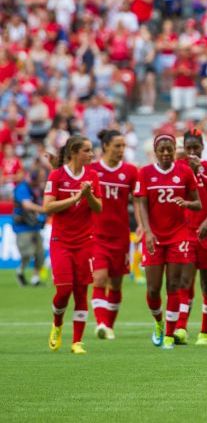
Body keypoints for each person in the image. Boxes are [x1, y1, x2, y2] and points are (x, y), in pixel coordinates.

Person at [135, 134, 201, 350]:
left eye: (169, 149)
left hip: (178, 235)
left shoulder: (185, 172)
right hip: (154, 236)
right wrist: (147, 231)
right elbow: (141, 204)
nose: (165, 153)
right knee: (153, 289)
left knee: (173, 284)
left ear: (174, 150)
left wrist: (187, 203)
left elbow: (198, 203)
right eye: (161, 149)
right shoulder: (145, 173)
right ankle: (159, 322)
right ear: (155, 151)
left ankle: (170, 335)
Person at [44, 135, 103, 355]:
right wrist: (76, 197)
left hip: (85, 242)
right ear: (74, 152)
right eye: (87, 150)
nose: (91, 154)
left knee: (81, 290)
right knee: (64, 290)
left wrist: (88, 196)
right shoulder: (57, 176)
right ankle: (57, 324)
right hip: (61, 241)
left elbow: (98, 209)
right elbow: (47, 207)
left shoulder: (92, 176)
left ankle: (77, 341)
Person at [174, 129, 207, 345]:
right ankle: (180, 328)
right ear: (184, 149)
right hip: (187, 231)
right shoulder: (179, 169)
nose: (193, 152)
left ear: (203, 148)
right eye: (189, 148)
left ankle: (205, 331)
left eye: (196, 148)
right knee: (185, 281)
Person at [89, 129, 138, 341]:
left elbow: (138, 200)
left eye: (123, 146)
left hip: (120, 236)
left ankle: (109, 325)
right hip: (96, 235)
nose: (121, 150)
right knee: (99, 279)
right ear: (106, 146)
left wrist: (142, 225)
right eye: (117, 146)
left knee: (116, 284)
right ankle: (100, 323)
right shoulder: (91, 171)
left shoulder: (130, 172)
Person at [12, 166, 46, 287]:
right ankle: (20, 271)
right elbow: (27, 205)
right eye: (40, 178)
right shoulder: (22, 187)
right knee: (27, 253)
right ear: (34, 177)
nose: (42, 180)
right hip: (22, 226)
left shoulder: (38, 188)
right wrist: (43, 209)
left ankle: (35, 279)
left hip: (35, 225)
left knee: (40, 254)